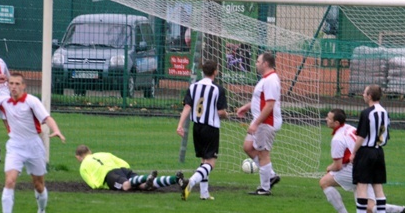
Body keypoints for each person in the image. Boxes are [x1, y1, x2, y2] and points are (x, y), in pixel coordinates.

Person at [0, 73, 65, 213]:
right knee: (10, 180)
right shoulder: (4, 101)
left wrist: (56, 130)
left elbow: (47, 118)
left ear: (24, 86)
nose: (14, 86)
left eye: (17, 84)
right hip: (15, 146)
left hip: (34, 146)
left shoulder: (32, 101)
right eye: (11, 83)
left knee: (38, 185)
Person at [320, 108, 405, 213]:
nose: (326, 119)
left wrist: (329, 168)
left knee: (324, 182)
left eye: (329, 118)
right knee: (369, 209)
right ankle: (401, 210)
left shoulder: (337, 139)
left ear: (336, 123)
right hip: (366, 164)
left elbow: (337, 166)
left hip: (355, 168)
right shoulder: (350, 128)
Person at [176, 60, 228, 200]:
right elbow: (221, 112)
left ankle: (204, 193)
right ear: (215, 72)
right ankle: (190, 183)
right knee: (210, 163)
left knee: (204, 160)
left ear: (203, 72)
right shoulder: (218, 89)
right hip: (210, 128)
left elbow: (187, 107)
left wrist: (180, 125)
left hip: (197, 127)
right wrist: (226, 114)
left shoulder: (193, 87)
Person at [236, 52, 282, 195]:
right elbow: (260, 99)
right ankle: (271, 175)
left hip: (266, 122)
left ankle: (264, 188)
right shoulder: (265, 79)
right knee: (248, 147)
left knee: (263, 154)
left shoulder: (271, 80)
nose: (256, 63)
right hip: (260, 121)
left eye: (258, 61)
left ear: (265, 64)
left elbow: (269, 105)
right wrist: (247, 106)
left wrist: (256, 123)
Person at [347, 84, 391, 213]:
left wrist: (353, 152)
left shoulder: (367, 113)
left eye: (364, 93)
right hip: (379, 152)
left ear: (370, 96)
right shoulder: (385, 112)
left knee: (362, 186)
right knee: (378, 187)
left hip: (366, 152)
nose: (363, 95)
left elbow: (361, 136)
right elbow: (386, 135)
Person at [75, 145, 183, 191]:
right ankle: (175, 179)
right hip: (121, 169)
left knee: (126, 186)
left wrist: (100, 185)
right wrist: (125, 172)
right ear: (90, 151)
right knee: (142, 185)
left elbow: (92, 183)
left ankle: (146, 177)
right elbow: (124, 163)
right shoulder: (103, 153)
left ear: (78, 157)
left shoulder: (83, 165)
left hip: (108, 175)